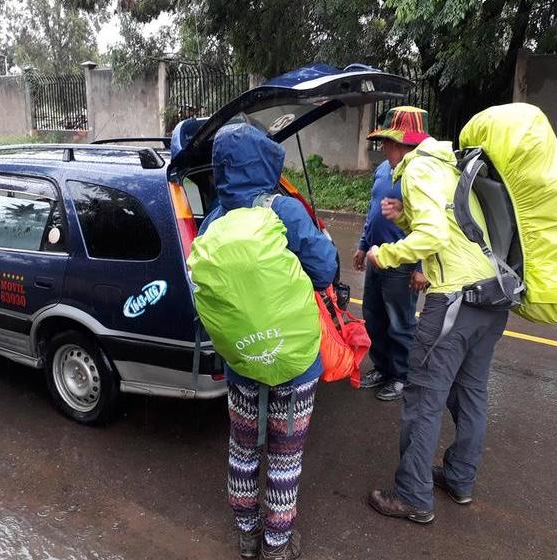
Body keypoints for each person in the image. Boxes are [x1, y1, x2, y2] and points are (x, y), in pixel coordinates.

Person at [197, 123, 338, 559]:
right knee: (284, 455)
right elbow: (326, 271)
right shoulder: (285, 211)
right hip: (295, 363)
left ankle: (246, 535)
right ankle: (277, 545)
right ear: (264, 161)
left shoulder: (214, 222)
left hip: (242, 361)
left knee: (243, 448)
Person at [363, 107, 507, 524]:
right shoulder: (449, 167)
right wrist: (404, 217)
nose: (383, 153)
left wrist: (383, 254)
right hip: (490, 297)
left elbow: (434, 235)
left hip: (455, 301)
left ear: (399, 144)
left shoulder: (417, 170)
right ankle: (460, 479)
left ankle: (412, 495)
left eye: (385, 144)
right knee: (471, 393)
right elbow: (451, 227)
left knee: (424, 395)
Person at [354, 153, 427, 401]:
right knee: (374, 317)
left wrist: (421, 266)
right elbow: (373, 209)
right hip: (377, 257)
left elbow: (429, 224)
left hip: (403, 263)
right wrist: (363, 245)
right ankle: (382, 368)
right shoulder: (385, 167)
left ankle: (402, 376)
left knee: (400, 324)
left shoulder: (420, 171)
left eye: (388, 141)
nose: (383, 146)